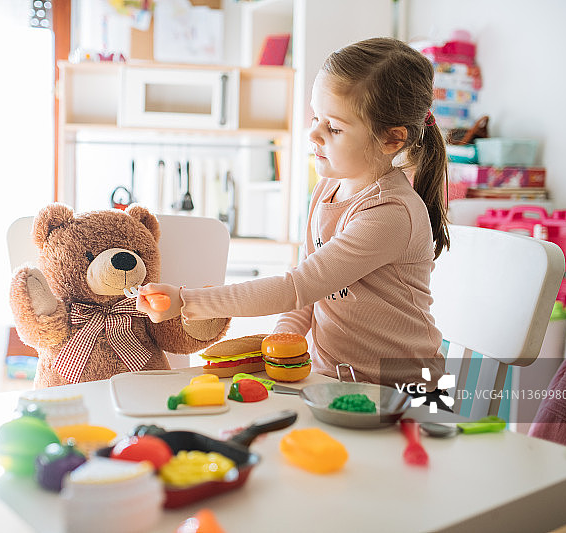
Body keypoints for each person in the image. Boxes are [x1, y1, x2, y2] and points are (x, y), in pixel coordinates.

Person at [138, 37, 449, 389]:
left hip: (407, 389)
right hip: (337, 382)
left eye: (334, 128)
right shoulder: (328, 187)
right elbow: (310, 291)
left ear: (392, 140)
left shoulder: (390, 213)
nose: (313, 133)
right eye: (315, 117)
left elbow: (297, 287)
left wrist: (185, 301)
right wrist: (284, 336)